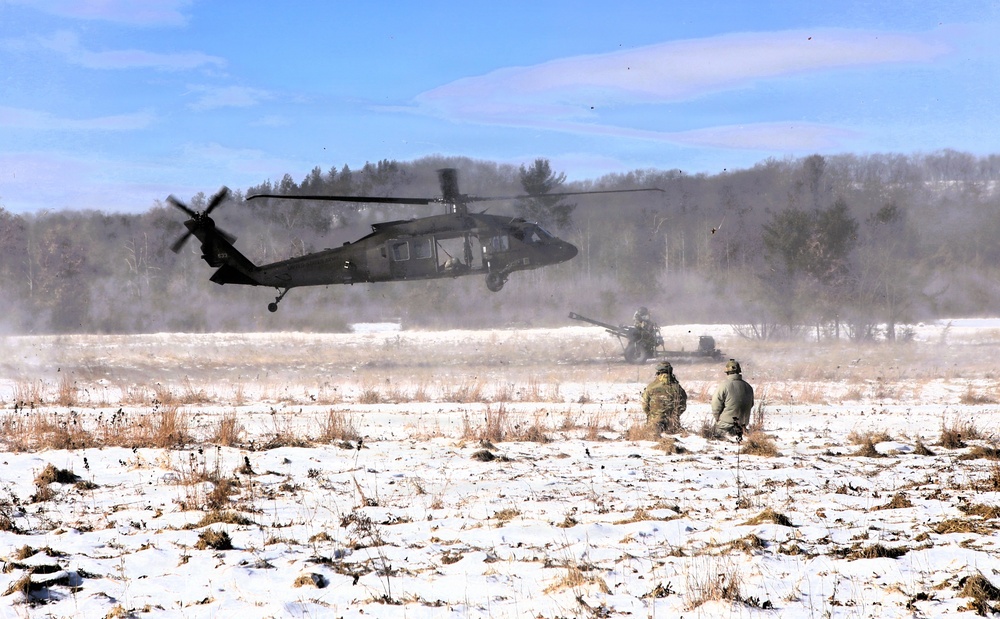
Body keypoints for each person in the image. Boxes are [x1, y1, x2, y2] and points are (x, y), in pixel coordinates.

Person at [711, 359, 754, 441]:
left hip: (725, 426)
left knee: (712, 434)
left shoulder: (723, 386)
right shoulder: (748, 387)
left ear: (727, 372)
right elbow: (751, 404)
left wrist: (718, 418)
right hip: (742, 425)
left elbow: (715, 405)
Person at [642, 361, 687, 434]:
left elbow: (645, 406)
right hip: (672, 426)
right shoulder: (678, 388)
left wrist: (652, 416)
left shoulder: (651, 387)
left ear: (658, 372)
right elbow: (683, 407)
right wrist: (674, 416)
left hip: (654, 425)